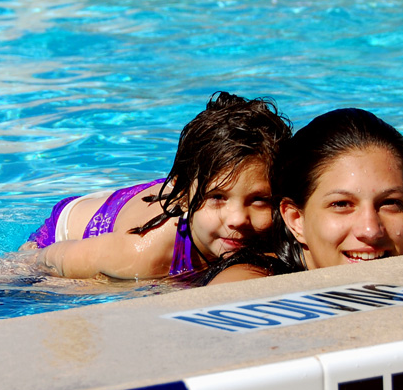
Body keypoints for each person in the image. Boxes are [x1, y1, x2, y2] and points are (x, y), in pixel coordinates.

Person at [22, 92, 291, 280]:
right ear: (183, 197)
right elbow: (54, 258)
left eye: (259, 200)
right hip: (70, 233)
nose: (237, 219)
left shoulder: (276, 222)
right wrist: (28, 262)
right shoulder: (143, 253)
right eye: (218, 197)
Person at [206, 108, 403, 284]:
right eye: (341, 204)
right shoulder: (243, 283)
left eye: (390, 203)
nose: (370, 231)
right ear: (296, 219)